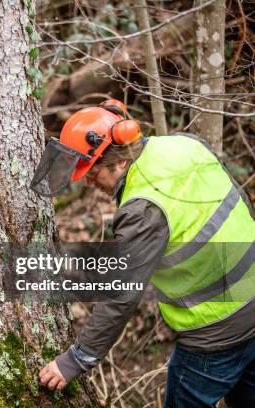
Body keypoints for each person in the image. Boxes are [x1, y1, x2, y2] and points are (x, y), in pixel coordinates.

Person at [31, 100, 254, 407]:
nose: (88, 179)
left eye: (92, 169)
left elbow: (122, 295)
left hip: (215, 333)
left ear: (119, 162)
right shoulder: (184, 145)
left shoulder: (142, 208)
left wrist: (76, 359)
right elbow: (241, 203)